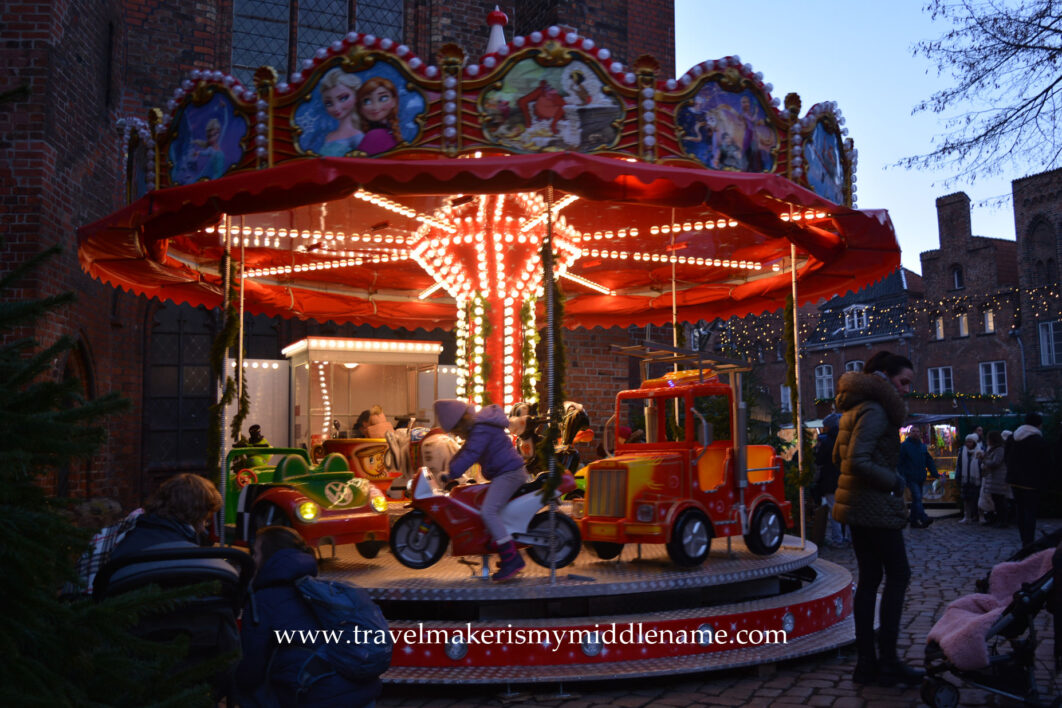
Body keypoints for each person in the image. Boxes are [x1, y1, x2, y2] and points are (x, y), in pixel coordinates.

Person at [832, 350, 922, 687]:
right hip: (872, 507)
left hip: (856, 505)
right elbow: (857, 460)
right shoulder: (875, 409)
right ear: (884, 377)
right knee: (898, 574)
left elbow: (837, 454)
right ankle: (886, 661)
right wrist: (895, 481)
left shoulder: (855, 406)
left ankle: (868, 663)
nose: (906, 390)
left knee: (870, 579)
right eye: (903, 382)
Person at [236, 526, 382, 707]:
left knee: (246, 689)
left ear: (268, 558)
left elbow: (250, 670)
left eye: (256, 554)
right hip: (361, 694)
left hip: (318, 697)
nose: (253, 560)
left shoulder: (263, 600)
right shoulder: (320, 589)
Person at [433, 398, 528, 581]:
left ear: (462, 421)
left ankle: (511, 558)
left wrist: (451, 472)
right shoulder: (480, 427)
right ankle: (503, 546)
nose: (459, 436)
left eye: (457, 431)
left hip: (509, 473)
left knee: (488, 511)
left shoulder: (481, 429)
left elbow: (471, 453)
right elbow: (465, 451)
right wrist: (450, 468)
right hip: (505, 472)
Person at [110, 472, 222, 561]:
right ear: (196, 515)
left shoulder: (128, 535)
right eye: (204, 520)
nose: (203, 528)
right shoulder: (185, 553)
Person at [1006, 412, 1053, 547]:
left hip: (1014, 480)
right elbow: (1046, 463)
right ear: (1039, 424)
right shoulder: (1038, 440)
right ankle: (1029, 541)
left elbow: (1006, 457)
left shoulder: (1012, 438)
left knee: (1020, 511)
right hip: (1031, 482)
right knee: (1030, 512)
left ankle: (1024, 539)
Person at [813, 413, 846, 546]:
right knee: (844, 509)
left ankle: (837, 539)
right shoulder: (845, 438)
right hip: (844, 479)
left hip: (830, 480)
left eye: (824, 426)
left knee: (834, 510)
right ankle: (847, 537)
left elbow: (819, 460)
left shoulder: (826, 441)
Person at [318, 68, 364, 156]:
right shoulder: (329, 136)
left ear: (356, 96)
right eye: (329, 103)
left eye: (343, 98)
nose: (336, 107)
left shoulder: (357, 136)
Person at [898, 427, 938, 528]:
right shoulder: (904, 446)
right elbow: (899, 462)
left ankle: (913, 521)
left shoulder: (922, 446)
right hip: (910, 477)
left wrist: (935, 473)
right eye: (913, 431)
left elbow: (929, 461)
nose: (915, 433)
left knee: (916, 499)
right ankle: (923, 517)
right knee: (917, 497)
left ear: (920, 433)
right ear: (909, 433)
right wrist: (901, 476)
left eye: (917, 431)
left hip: (920, 477)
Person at [356, 77, 400, 156]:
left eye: (383, 98)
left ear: (394, 101)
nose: (375, 107)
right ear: (360, 108)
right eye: (367, 101)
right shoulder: (378, 134)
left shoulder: (376, 135)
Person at [980, 430, 1010, 527]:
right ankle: (999, 519)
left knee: (1000, 500)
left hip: (998, 478)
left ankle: (1003, 520)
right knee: (996, 500)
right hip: (993, 478)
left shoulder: (999, 449)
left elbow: (995, 462)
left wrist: (984, 460)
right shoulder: (994, 449)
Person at [954, 434, 983, 524]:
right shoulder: (962, 451)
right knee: (966, 499)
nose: (968, 443)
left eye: (970, 441)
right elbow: (959, 464)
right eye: (967, 441)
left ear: (974, 442)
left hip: (976, 478)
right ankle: (967, 516)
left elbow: (982, 464)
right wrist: (958, 476)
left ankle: (980, 516)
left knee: (978, 498)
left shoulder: (980, 451)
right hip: (965, 478)